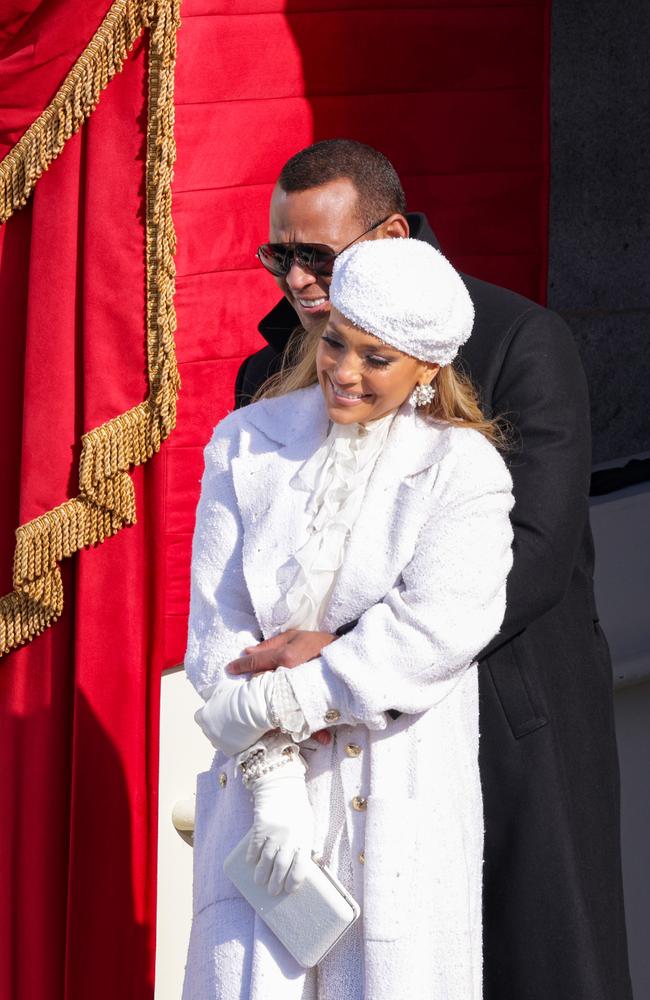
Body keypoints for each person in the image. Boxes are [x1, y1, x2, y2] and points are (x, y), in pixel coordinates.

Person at [234, 140, 632, 1000]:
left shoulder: (520, 339)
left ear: (391, 232)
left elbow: (533, 554)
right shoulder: (266, 374)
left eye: (319, 257)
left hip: (507, 721)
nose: (299, 281)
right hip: (325, 744)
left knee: (535, 970)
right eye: (281, 256)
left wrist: (334, 656)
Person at [183, 237, 514, 999]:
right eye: (336, 341)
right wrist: (272, 783)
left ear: (428, 369)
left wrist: (284, 696)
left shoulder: (463, 471)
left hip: (399, 801)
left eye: (376, 357)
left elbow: (434, 631)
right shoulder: (246, 444)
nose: (344, 371)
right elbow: (216, 633)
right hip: (261, 804)